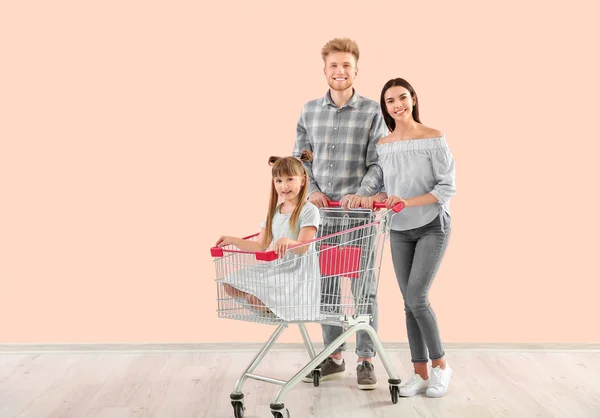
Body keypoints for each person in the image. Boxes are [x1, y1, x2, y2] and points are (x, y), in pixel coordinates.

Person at [293, 37, 386, 390]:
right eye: (334, 65)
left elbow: (379, 162)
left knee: (364, 289)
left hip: (360, 219)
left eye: (346, 65)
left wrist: (361, 196)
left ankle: (365, 360)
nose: (340, 71)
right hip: (325, 219)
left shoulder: (373, 112)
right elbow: (301, 160)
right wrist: (313, 191)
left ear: (356, 70)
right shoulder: (309, 111)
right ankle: (333, 357)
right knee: (329, 288)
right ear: (325, 70)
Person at [362, 77, 456, 397]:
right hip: (399, 229)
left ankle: (441, 368)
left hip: (432, 225)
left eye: (402, 97)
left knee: (417, 297)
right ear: (385, 107)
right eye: (390, 101)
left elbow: (445, 188)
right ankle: (419, 373)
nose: (397, 105)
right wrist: (375, 199)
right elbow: (390, 188)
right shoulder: (384, 146)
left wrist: (407, 202)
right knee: (408, 304)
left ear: (413, 99)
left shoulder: (433, 137)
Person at [216, 151, 321, 321]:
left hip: (298, 273)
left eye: (289, 179)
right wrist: (234, 240)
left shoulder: (309, 211)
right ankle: (271, 307)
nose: (283, 186)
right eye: (278, 181)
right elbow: (260, 246)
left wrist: (288, 242)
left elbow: (302, 248)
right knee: (229, 283)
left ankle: (275, 307)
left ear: (302, 180)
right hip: (278, 268)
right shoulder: (273, 213)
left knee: (255, 297)